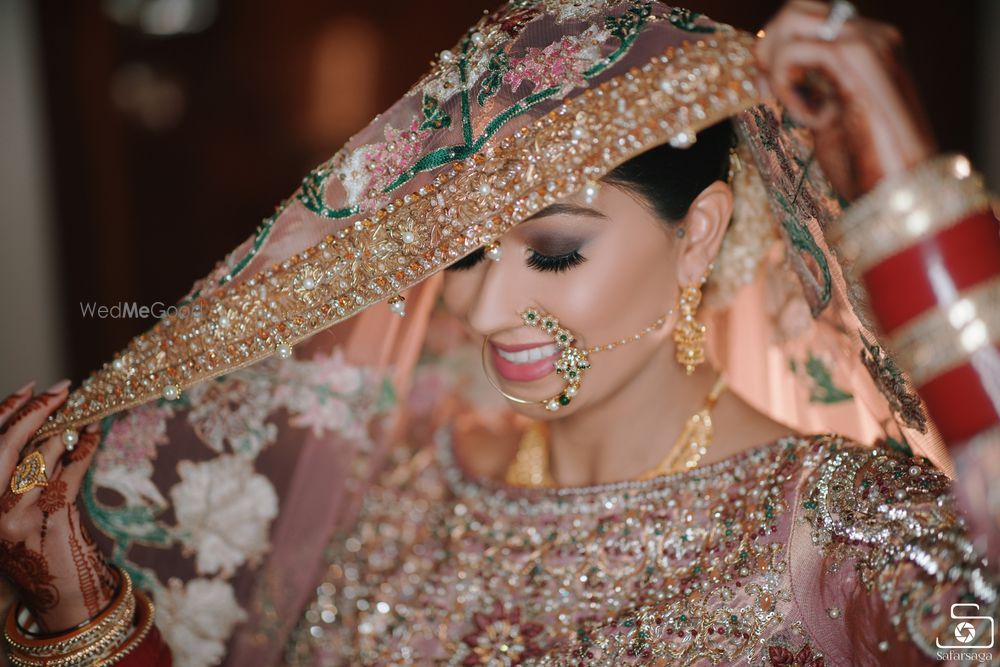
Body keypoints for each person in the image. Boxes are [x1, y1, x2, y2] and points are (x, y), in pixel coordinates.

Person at [1, 0, 997, 665]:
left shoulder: (841, 531)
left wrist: (912, 190)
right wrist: (78, 613)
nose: (478, 311)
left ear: (698, 236)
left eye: (554, 250)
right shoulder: (402, 488)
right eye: (467, 254)